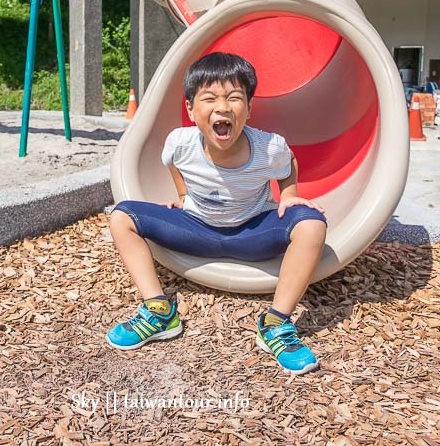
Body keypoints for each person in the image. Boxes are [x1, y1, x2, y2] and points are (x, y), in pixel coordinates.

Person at [106, 52, 328, 375]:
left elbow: (288, 164)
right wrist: (183, 198)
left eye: (235, 98)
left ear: (249, 109)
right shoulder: (180, 143)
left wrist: (290, 195)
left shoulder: (270, 148)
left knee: (313, 224)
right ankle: (159, 311)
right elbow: (172, 163)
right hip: (196, 228)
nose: (222, 107)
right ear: (191, 110)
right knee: (121, 216)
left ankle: (275, 325)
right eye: (209, 98)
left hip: (252, 231)